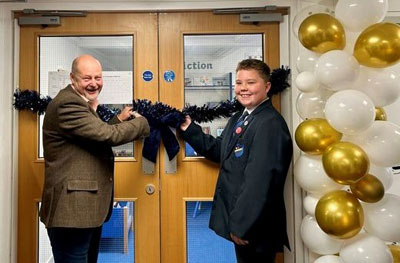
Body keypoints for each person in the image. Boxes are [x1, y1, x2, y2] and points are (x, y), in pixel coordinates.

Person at [39, 54, 150, 263]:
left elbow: (94, 136)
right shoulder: (67, 105)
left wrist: (118, 119)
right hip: (71, 212)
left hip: (85, 211)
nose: (94, 84)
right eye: (87, 78)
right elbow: (108, 135)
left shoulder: (81, 102)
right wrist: (142, 123)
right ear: (73, 79)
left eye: (98, 78)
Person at [180, 59, 292, 263]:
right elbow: (219, 150)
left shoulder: (269, 124)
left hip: (255, 226)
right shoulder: (241, 117)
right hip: (246, 222)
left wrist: (242, 225)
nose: (243, 89)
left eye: (251, 83)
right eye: (239, 83)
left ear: (267, 86)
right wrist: (189, 128)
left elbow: (259, 182)